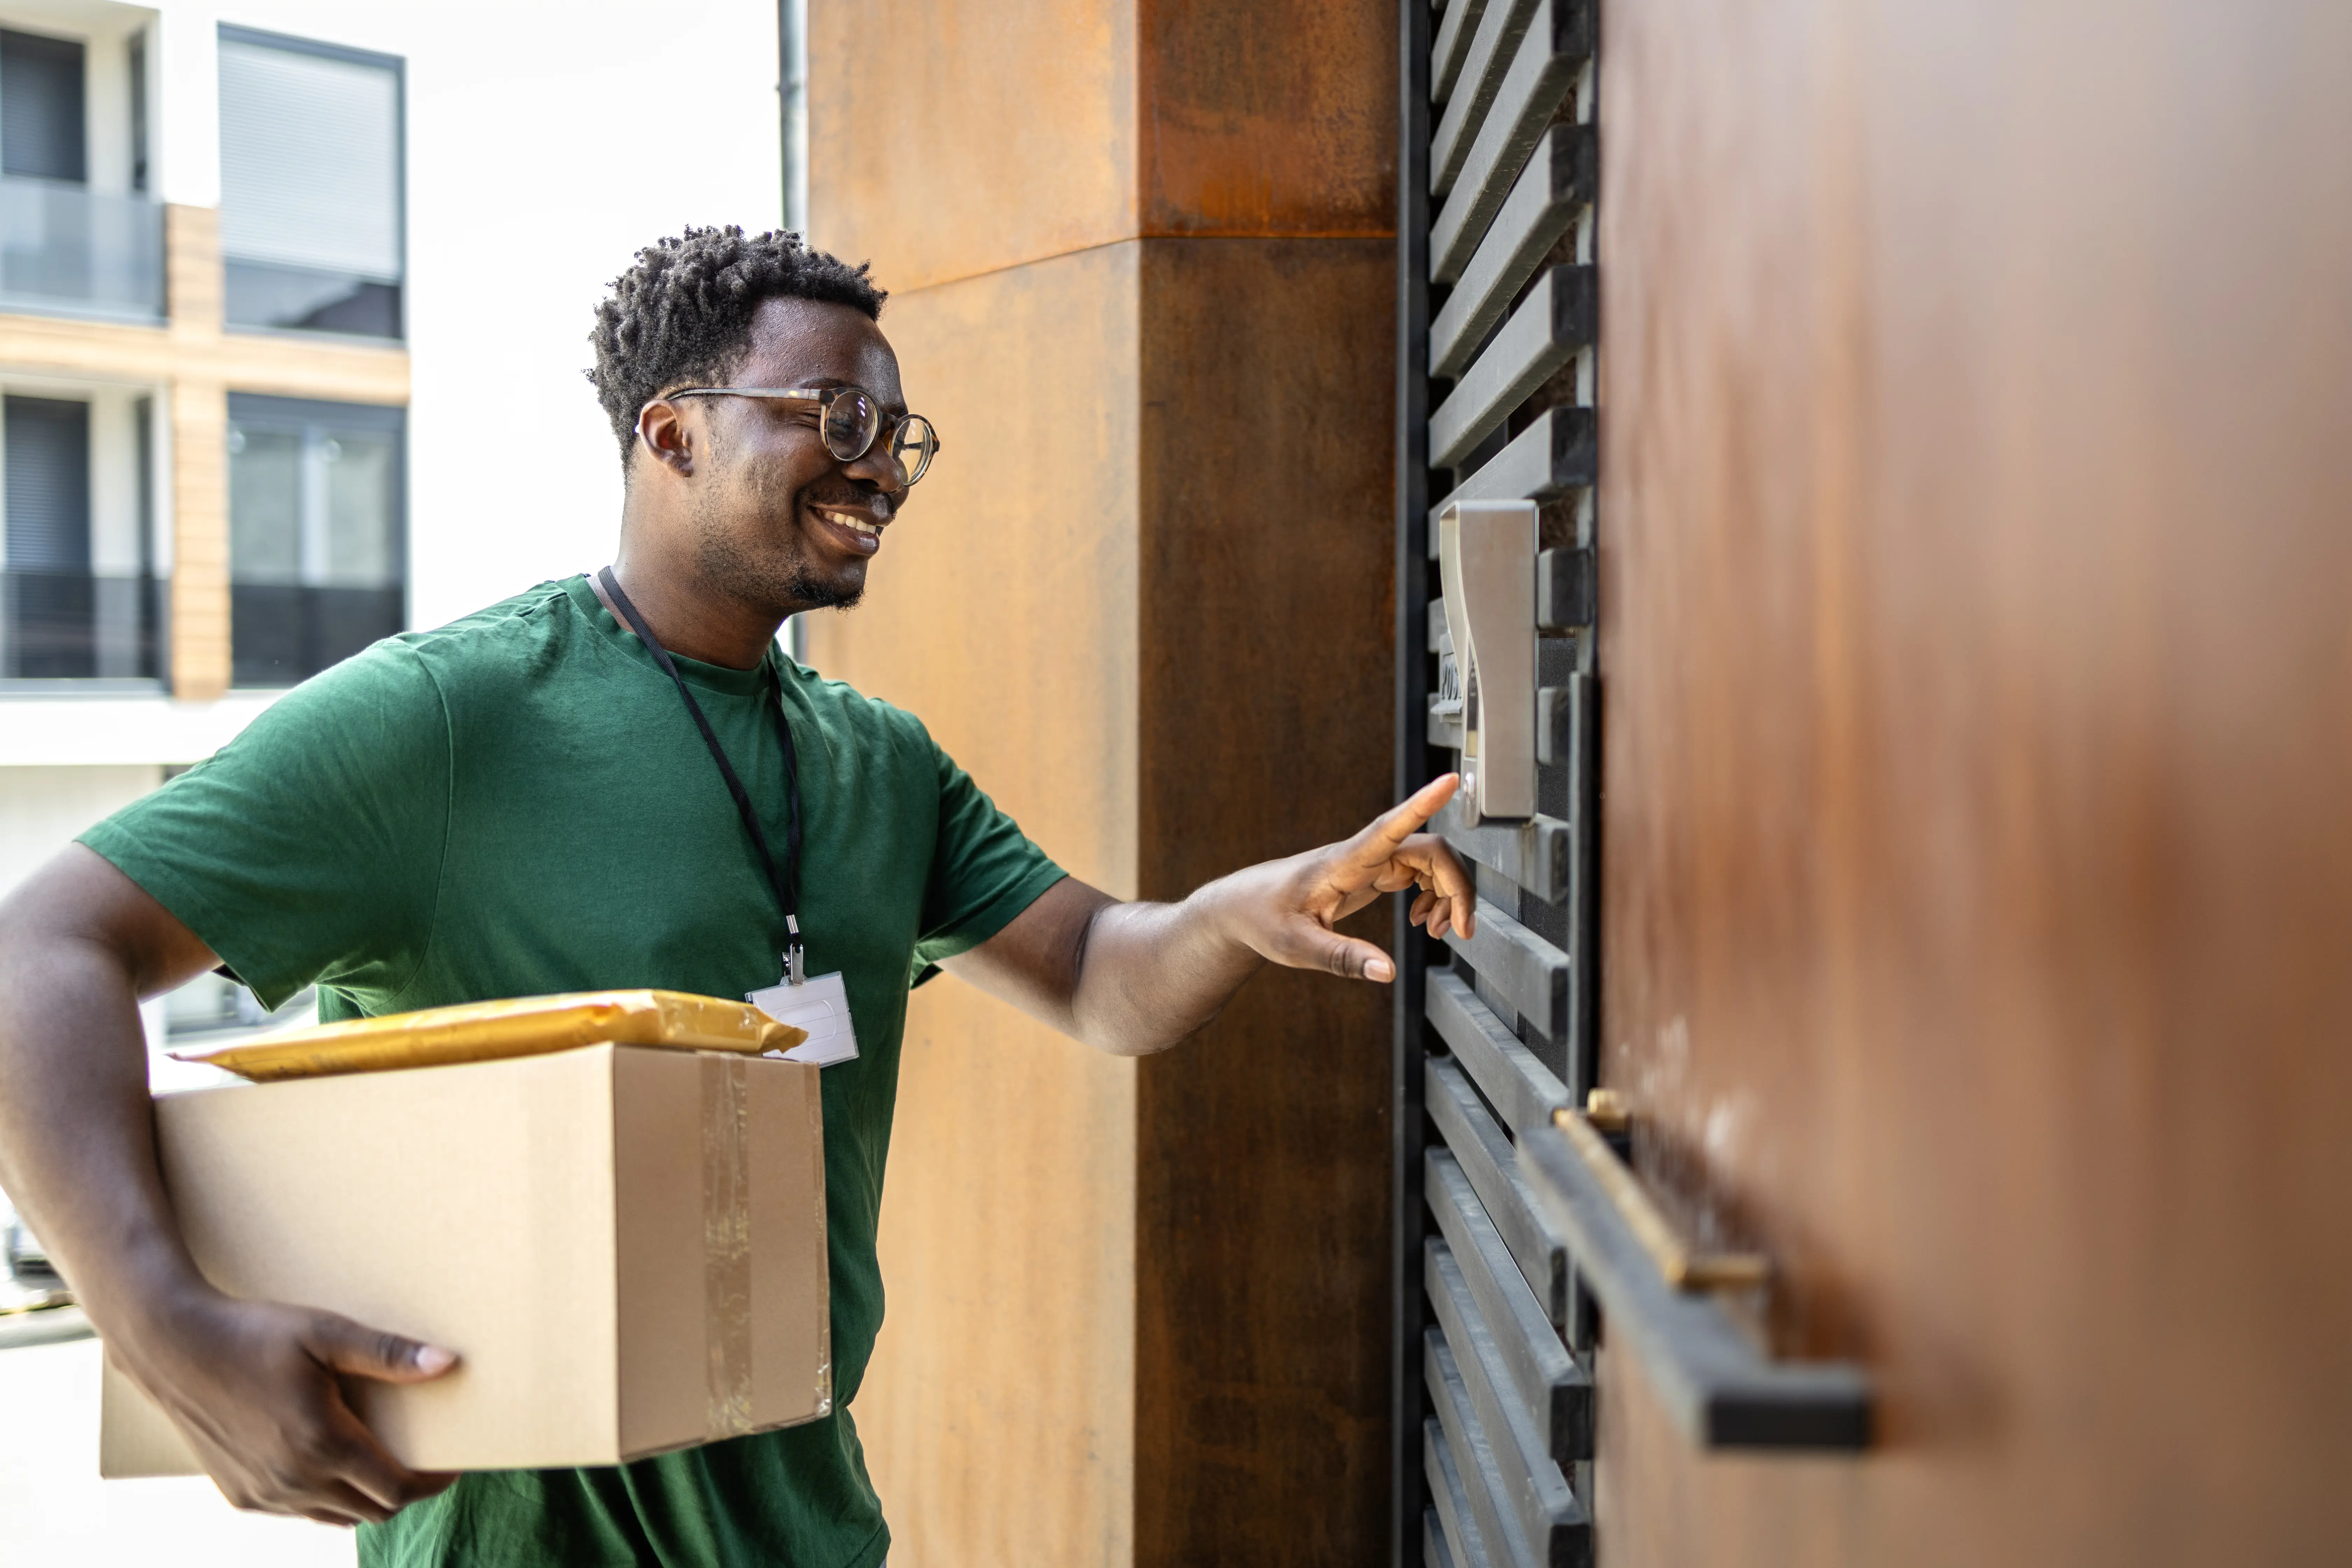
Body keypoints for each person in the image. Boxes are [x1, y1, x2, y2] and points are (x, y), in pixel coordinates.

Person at [0, 226, 1472, 1567]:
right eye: (836, 417)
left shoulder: (880, 764)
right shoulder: (453, 720)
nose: (881, 464)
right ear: (672, 432)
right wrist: (155, 1320)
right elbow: (40, 952)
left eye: (898, 432)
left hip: (810, 1534)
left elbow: (1093, 967)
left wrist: (1250, 905)